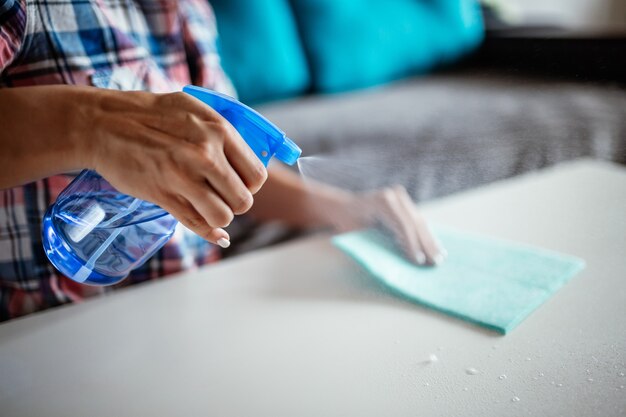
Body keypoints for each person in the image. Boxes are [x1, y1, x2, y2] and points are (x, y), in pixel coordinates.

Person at [0, 0, 444, 321]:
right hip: (51, 331)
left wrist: (343, 209)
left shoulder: (192, 11)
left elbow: (218, 164)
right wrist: (88, 124)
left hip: (187, 315)